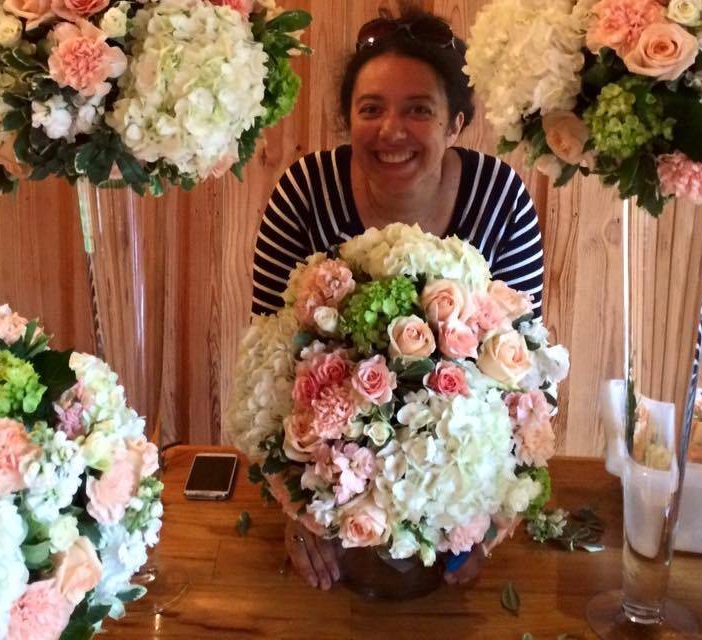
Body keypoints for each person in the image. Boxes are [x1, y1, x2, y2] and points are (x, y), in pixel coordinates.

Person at [250, 7, 545, 590]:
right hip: (333, 490)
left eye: (419, 110)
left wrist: (482, 515)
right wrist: (295, 506)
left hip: (449, 489)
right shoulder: (304, 192)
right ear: (347, 119)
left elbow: (525, 378)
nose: (392, 130)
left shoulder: (500, 198)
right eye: (371, 109)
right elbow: (267, 368)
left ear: (455, 122)